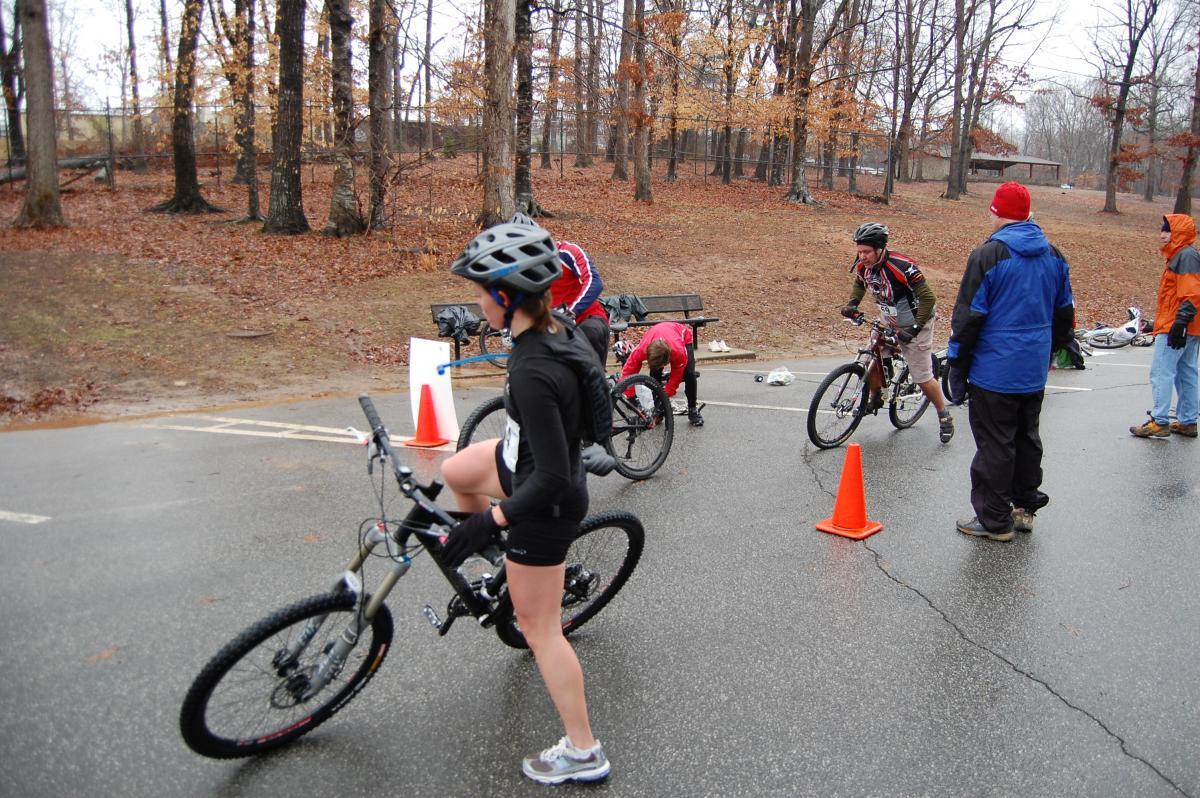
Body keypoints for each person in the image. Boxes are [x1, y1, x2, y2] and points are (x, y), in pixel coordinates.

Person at [438, 221, 611, 785]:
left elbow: (558, 476)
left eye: (482, 290)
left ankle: (584, 752)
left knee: (541, 631)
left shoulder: (535, 367)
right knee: (454, 470)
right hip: (521, 461)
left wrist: (492, 519)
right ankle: (501, 575)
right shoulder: (548, 328)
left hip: (547, 501)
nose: (477, 301)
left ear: (508, 296)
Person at [945, 182, 1075, 542]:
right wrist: (1061, 345)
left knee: (995, 443)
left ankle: (994, 519)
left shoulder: (988, 255)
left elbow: (969, 316)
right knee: (1027, 437)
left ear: (995, 212)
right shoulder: (1054, 255)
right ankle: (1023, 508)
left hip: (995, 369)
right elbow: (1065, 310)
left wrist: (956, 362)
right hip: (1033, 369)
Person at [841, 222, 955, 443]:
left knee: (922, 377)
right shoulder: (864, 266)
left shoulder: (902, 267)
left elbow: (929, 298)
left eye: (866, 252)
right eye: (859, 251)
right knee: (872, 354)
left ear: (880, 249)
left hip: (917, 321)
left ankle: (944, 415)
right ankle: (876, 397)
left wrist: (913, 330)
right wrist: (853, 304)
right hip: (890, 319)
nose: (862, 256)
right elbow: (860, 283)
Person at [1128, 214, 1199, 439]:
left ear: (1177, 233)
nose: (1162, 235)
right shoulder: (1183, 255)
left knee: (1162, 371)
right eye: (1162, 230)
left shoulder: (1185, 256)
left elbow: (1191, 293)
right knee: (1186, 372)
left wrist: (1179, 323)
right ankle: (1188, 421)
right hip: (1190, 325)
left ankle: (1159, 420)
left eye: (1167, 230)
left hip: (1177, 325)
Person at [511, 212, 610, 369]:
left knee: (589, 333)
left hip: (586, 319)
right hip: (555, 328)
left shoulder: (566, 252)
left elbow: (595, 282)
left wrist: (572, 312)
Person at [619, 321, 703, 426]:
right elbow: (628, 372)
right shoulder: (641, 350)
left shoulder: (679, 353)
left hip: (682, 336)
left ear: (667, 361)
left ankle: (693, 409)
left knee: (689, 374)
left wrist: (662, 402)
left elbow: (674, 382)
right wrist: (631, 397)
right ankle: (658, 413)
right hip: (656, 334)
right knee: (654, 375)